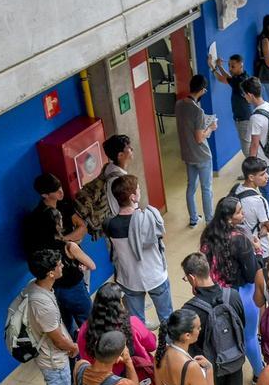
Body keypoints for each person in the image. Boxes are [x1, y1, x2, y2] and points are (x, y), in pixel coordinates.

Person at [179, 255, 247, 385]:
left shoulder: (190, 309)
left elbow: (189, 342)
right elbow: (241, 323)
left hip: (208, 366)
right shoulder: (232, 295)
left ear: (192, 278)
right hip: (234, 359)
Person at [76, 282, 166, 385]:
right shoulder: (132, 323)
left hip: (108, 382)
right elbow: (151, 345)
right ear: (118, 305)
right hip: (139, 373)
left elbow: (84, 357)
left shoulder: (86, 330)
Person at [199, 197, 264, 381]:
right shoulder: (241, 241)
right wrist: (258, 250)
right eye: (239, 211)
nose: (243, 213)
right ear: (229, 218)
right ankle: (259, 374)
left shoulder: (207, 235)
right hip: (243, 295)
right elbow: (252, 273)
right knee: (250, 336)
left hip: (215, 295)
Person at [25, 249, 80, 385]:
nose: (62, 265)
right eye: (59, 264)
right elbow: (56, 338)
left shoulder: (36, 286)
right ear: (50, 273)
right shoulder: (42, 304)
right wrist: (73, 348)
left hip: (52, 355)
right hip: (53, 360)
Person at [105, 175, 173, 326]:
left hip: (130, 279)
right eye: (138, 189)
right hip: (155, 275)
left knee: (137, 324)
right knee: (167, 318)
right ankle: (168, 346)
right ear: (133, 197)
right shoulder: (148, 218)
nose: (140, 190)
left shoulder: (110, 224)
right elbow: (161, 234)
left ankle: (142, 347)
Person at [38, 207, 96, 333]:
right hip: (74, 288)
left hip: (53, 291)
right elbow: (92, 265)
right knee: (89, 325)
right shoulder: (69, 246)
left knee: (66, 327)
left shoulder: (40, 248)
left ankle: (76, 350)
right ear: (59, 225)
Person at [175, 74, 218, 228]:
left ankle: (193, 219)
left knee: (191, 187)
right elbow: (200, 138)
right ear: (202, 90)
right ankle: (209, 221)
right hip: (202, 155)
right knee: (206, 188)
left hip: (187, 154)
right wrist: (210, 128)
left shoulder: (179, 104)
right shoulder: (198, 111)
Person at [242, 76, 269, 213]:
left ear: (250, 95)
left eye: (244, 94)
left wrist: (251, 166)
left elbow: (254, 144)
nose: (244, 97)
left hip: (260, 159)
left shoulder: (255, 117)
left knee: (266, 190)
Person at [24, 173, 87, 257]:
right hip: (59, 260)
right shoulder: (41, 217)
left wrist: (65, 239)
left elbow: (83, 228)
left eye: (60, 186)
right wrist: (73, 239)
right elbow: (50, 247)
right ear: (45, 195)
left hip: (73, 249)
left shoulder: (64, 203)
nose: (61, 192)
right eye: (55, 190)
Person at [231, 156, 269, 259]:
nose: (267, 176)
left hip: (240, 248)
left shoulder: (236, 189)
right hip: (260, 250)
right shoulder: (259, 201)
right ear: (251, 177)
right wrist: (265, 226)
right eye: (262, 174)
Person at [210, 54, 253, 157]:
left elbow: (222, 79)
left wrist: (212, 67)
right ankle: (254, 170)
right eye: (229, 65)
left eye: (232, 66)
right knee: (249, 147)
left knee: (247, 150)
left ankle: (253, 171)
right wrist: (220, 66)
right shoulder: (242, 76)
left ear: (240, 65)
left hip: (243, 119)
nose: (229, 68)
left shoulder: (239, 81)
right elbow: (229, 78)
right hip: (244, 117)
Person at [102, 134, 134, 216]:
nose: (132, 149)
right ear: (120, 155)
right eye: (129, 148)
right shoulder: (120, 181)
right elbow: (118, 210)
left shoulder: (108, 168)